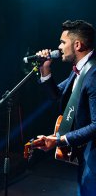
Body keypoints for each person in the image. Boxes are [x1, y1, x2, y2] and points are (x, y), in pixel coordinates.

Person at [32, 19, 96, 196]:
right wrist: (45, 69)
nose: (58, 47)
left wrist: (60, 140)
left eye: (62, 42)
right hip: (86, 155)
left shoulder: (93, 74)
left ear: (77, 44)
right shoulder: (80, 70)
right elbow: (57, 95)